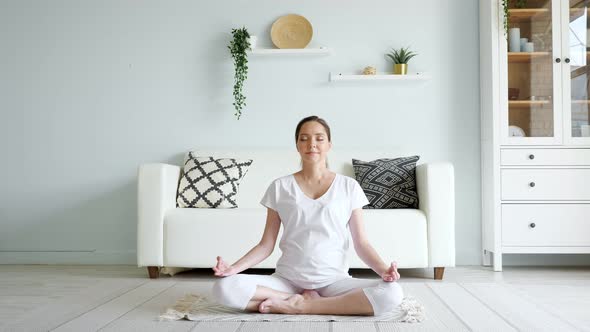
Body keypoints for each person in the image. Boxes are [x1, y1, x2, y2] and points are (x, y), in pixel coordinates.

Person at [211, 115, 403, 316]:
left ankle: (300, 306)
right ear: (297, 145)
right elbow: (266, 245)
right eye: (304, 138)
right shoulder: (280, 187)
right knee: (224, 287)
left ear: (329, 144)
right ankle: (298, 301)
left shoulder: (349, 187)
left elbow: (361, 243)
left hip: (335, 281)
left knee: (392, 293)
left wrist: (383, 270)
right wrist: (233, 269)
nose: (312, 144)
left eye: (319, 138)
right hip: (287, 281)